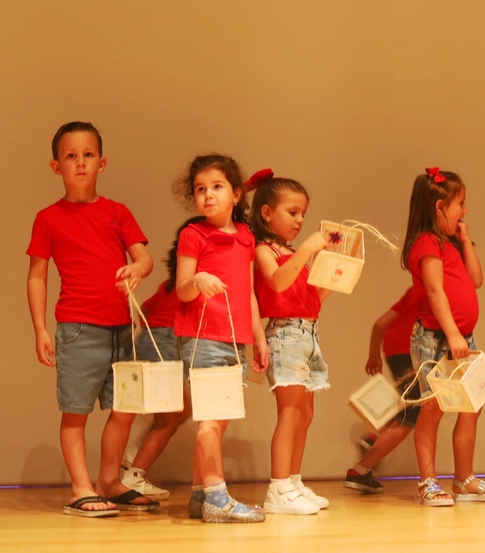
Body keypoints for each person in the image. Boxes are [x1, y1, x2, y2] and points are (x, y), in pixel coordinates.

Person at [26, 121, 157, 518]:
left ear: (102, 162)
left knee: (125, 408)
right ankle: (80, 488)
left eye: (87, 155)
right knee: (76, 411)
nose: (80, 163)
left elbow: (144, 257)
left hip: (122, 328)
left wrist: (137, 269)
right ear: (56, 166)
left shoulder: (117, 212)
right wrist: (40, 329)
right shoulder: (48, 218)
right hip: (78, 328)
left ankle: (110, 481)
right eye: (71, 156)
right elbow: (37, 276)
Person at [173, 154, 270, 523]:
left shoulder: (245, 237)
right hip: (203, 337)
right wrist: (197, 281)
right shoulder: (193, 235)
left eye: (216, 187)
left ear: (236, 194)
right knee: (212, 419)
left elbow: (248, 293)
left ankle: (201, 494)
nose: (208, 195)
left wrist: (258, 338)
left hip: (233, 339)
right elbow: (182, 289)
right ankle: (217, 498)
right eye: (200, 189)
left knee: (220, 418)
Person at [402, 167, 485, 507]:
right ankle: (428, 481)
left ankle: (464, 479)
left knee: (472, 404)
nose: (465, 210)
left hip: (461, 340)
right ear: (440, 207)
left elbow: (477, 279)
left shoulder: (451, 244)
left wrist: (465, 239)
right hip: (436, 340)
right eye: (461, 203)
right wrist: (453, 333)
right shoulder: (427, 244)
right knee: (432, 409)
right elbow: (434, 291)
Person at [250, 171, 333, 515]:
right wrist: (309, 250)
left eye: (303, 214)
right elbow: (278, 282)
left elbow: (311, 299)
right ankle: (279, 487)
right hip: (284, 334)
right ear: (267, 213)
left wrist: (335, 270)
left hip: (307, 332)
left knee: (305, 413)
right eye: (293, 212)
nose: (300, 220)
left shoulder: (293, 253)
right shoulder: (263, 250)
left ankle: (293, 481)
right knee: (289, 412)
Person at [119, 216, 206, 502]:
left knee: (171, 413)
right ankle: (133, 474)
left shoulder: (170, 286)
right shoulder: (196, 282)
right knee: (170, 418)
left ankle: (130, 462)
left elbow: (145, 311)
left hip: (148, 341)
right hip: (166, 343)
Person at [344, 286, 422, 494]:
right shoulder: (436, 289)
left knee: (410, 406)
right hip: (414, 351)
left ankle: (374, 439)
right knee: (412, 413)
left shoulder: (415, 289)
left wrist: (373, 356)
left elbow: (380, 324)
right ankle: (360, 470)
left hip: (394, 350)